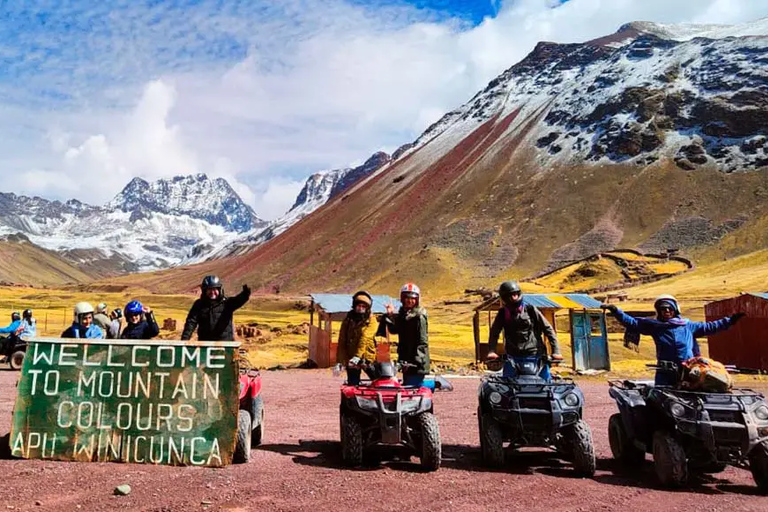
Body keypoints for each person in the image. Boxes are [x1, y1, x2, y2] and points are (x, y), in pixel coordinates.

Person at [603, 294, 744, 385]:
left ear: (675, 309)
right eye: (663, 309)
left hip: (689, 372)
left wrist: (730, 320)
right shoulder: (655, 327)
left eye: (669, 308)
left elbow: (710, 327)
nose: (667, 311)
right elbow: (633, 323)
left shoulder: (688, 326)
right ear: (659, 311)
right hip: (665, 372)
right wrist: (616, 311)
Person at [487, 281, 563, 381]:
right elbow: (494, 333)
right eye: (510, 296)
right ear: (505, 298)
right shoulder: (503, 313)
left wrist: (556, 351)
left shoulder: (531, 310)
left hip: (536, 355)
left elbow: (548, 329)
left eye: (515, 294)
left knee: (546, 384)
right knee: (507, 386)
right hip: (513, 357)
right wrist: (492, 351)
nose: (514, 298)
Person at [383, 283, 430, 387]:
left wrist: (418, 360)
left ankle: (431, 388)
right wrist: (390, 315)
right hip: (405, 357)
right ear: (402, 299)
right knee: (407, 385)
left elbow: (422, 340)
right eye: (406, 298)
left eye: (412, 298)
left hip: (416, 360)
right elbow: (394, 330)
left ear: (417, 300)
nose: (409, 301)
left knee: (414, 388)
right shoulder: (403, 315)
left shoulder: (419, 316)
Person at [181, 275, 251, 341]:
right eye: (209, 289)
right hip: (205, 345)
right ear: (204, 291)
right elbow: (191, 323)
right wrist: (184, 340)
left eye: (215, 289)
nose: (212, 292)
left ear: (219, 290)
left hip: (225, 344)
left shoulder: (227, 303)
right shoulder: (199, 304)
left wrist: (245, 294)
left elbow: (238, 300)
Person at [336, 291, 378, 385]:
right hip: (351, 358)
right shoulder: (348, 320)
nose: (360, 309)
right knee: (353, 385)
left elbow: (365, 337)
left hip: (367, 358)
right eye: (359, 306)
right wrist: (340, 361)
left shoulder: (372, 320)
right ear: (354, 306)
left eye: (364, 307)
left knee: (378, 382)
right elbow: (342, 340)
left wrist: (358, 356)